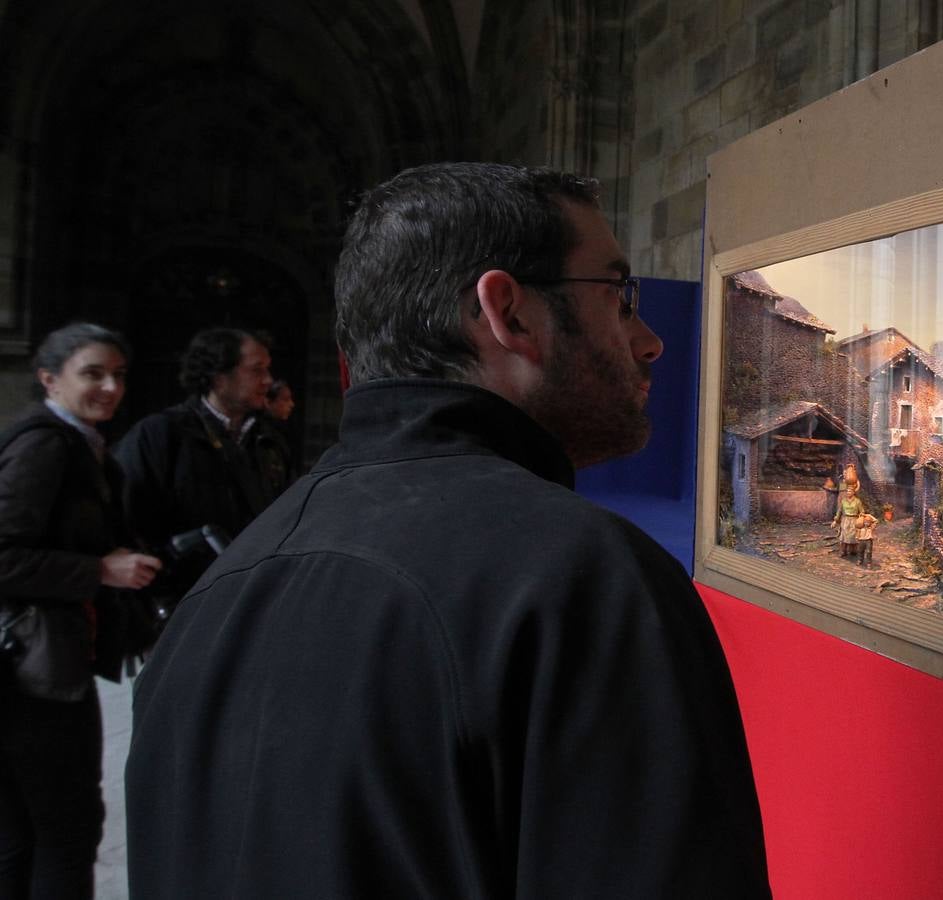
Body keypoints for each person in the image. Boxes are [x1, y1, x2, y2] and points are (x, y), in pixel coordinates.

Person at [125, 163, 771, 897]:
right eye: (620, 297)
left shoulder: (221, 589)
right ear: (510, 312)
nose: (650, 341)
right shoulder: (585, 578)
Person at [0, 323, 162, 899]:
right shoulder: (47, 445)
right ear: (49, 378)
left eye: (118, 375)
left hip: (40, 670)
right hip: (34, 675)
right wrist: (98, 570)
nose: (110, 387)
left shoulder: (80, 445)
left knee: (23, 832)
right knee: (67, 831)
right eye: (92, 373)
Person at [113, 327, 289, 605]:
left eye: (267, 369)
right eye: (256, 370)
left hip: (248, 597)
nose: (268, 380)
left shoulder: (268, 442)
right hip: (181, 600)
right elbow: (127, 523)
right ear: (219, 377)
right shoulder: (160, 435)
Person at [832, 483, 862, 557]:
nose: (848, 493)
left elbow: (862, 511)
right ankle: (843, 551)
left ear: (853, 492)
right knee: (843, 535)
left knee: (853, 536)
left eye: (850, 491)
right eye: (847, 491)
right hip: (845, 520)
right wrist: (835, 520)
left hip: (854, 520)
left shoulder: (857, 501)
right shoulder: (843, 501)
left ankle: (853, 551)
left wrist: (861, 520)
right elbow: (839, 511)